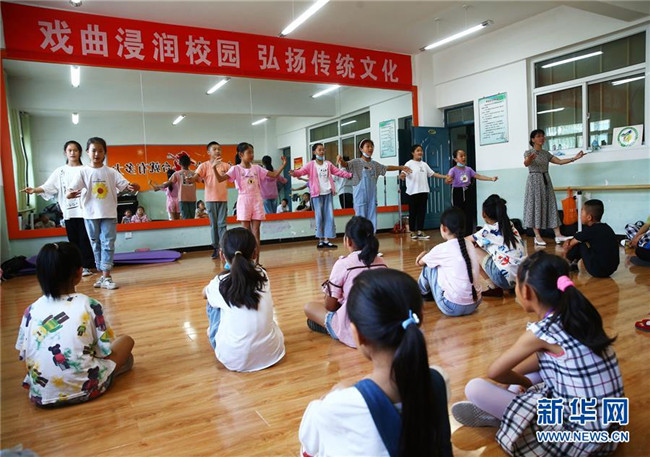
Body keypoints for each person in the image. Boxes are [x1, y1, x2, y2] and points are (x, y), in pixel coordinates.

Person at [451, 251, 623, 457]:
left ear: (527, 291)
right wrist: (515, 380)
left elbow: (494, 372)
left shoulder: (541, 333)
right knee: (531, 375)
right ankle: (509, 408)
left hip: (576, 440)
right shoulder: (580, 316)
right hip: (609, 431)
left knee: (475, 388)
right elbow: (539, 363)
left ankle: (507, 415)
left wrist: (521, 381)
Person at [299, 268, 452, 457]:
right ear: (420, 317)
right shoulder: (439, 380)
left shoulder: (335, 407)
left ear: (358, 335)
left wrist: (335, 394)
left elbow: (308, 447)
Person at [15, 242, 134, 407]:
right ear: (79, 272)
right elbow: (104, 352)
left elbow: (25, 353)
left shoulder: (30, 310)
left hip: (41, 396)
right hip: (88, 389)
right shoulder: (89, 305)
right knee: (126, 342)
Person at [202, 228, 285, 372]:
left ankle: (213, 334)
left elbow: (204, 293)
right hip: (272, 353)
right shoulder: (263, 275)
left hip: (234, 360)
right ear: (255, 253)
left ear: (221, 255)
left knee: (211, 301)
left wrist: (212, 287)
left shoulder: (220, 283)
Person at [67, 137, 140, 290]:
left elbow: (125, 185)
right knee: (95, 244)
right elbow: (71, 190)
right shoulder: (83, 172)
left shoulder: (111, 172)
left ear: (105, 153)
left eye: (100, 151)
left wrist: (132, 186)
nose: (97, 154)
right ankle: (102, 274)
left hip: (109, 213)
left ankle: (106, 276)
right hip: (90, 214)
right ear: (87, 152)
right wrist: (70, 194)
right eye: (94, 150)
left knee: (107, 243)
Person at [304, 216, 387, 346]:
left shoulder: (343, 264)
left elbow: (329, 306)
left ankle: (335, 329)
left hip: (355, 330)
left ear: (348, 241)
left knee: (309, 307)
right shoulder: (381, 262)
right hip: (381, 326)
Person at [21, 140, 95, 276]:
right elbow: (48, 186)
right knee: (73, 241)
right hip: (69, 213)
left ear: (80, 153)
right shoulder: (60, 171)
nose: (72, 153)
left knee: (86, 239)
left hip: (85, 212)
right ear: (65, 153)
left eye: (75, 150)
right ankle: (77, 267)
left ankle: (87, 266)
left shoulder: (86, 170)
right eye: (69, 150)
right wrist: (34, 190)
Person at [213, 142, 287, 251]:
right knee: (246, 231)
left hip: (256, 199)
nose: (252, 155)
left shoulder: (257, 168)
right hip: (244, 200)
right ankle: (247, 257)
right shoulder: (236, 169)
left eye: (253, 152)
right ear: (241, 154)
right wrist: (214, 168)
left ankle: (256, 259)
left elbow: (274, 175)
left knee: (256, 231)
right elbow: (220, 179)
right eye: (249, 152)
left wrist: (284, 164)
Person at [523, 129, 585, 246]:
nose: (542, 138)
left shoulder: (546, 153)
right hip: (534, 181)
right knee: (536, 206)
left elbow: (560, 161)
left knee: (551, 205)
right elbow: (526, 163)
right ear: (533, 139)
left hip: (546, 179)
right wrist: (530, 159)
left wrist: (575, 158)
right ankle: (537, 236)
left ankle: (558, 235)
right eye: (538, 136)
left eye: (543, 136)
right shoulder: (528, 152)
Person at [416, 207, 482, 316]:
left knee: (429, 266)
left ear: (444, 228)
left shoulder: (441, 248)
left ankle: (421, 293)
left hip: (451, 307)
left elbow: (419, 263)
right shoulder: (469, 244)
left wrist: (424, 254)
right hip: (475, 303)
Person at [338, 139, 411, 232]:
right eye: (367, 146)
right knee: (360, 220)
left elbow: (386, 167)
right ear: (361, 149)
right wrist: (341, 160)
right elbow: (346, 164)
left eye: (372, 146)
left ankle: (371, 237)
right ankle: (360, 238)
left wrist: (401, 167)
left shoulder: (375, 164)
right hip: (360, 198)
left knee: (372, 220)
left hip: (372, 198)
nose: (370, 148)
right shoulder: (356, 162)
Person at [291, 143, 352, 249]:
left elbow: (338, 172)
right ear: (314, 152)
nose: (322, 152)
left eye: (323, 150)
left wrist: (349, 175)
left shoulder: (328, 164)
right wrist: (295, 173)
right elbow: (301, 171)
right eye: (319, 150)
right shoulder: (311, 165)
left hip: (327, 193)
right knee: (319, 217)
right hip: (316, 195)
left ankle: (327, 240)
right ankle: (320, 240)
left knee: (329, 217)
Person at [470, 194, 526, 296]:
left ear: (483, 214)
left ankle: (493, 287)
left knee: (473, 249)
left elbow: (466, 240)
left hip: (503, 279)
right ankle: (511, 285)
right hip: (521, 277)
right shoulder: (509, 225)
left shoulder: (489, 230)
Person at [401, 144, 449, 240]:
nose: (420, 152)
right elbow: (403, 173)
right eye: (418, 150)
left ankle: (420, 231)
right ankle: (412, 232)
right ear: (413, 153)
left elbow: (433, 174)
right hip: (412, 192)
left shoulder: (424, 164)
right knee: (413, 213)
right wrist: (402, 175)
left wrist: (445, 176)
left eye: (421, 150)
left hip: (423, 191)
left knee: (421, 212)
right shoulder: (409, 163)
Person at [446, 149, 498, 236]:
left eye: (464, 155)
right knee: (458, 213)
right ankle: (458, 234)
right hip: (457, 192)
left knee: (468, 212)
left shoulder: (468, 169)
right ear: (455, 159)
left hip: (467, 191)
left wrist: (491, 178)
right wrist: (448, 180)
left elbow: (478, 176)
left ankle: (468, 233)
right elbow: (447, 180)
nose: (464, 157)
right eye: (461, 156)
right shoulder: (453, 170)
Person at [563, 199, 619, 277]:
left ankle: (567, 263)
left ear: (589, 217)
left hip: (597, 271)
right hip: (611, 269)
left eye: (582, 212)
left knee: (580, 243)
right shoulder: (607, 228)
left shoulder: (589, 231)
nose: (579, 215)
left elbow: (570, 245)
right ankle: (573, 264)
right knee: (581, 239)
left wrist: (566, 252)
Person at [194, 142, 230, 258]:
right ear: (208, 152)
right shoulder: (204, 166)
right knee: (214, 225)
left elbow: (234, 175)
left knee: (222, 225)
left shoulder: (225, 166)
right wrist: (191, 179)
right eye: (214, 149)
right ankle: (215, 247)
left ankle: (223, 248)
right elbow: (196, 176)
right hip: (210, 200)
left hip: (223, 199)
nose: (217, 151)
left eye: (219, 149)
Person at [170, 154, 197, 220]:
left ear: (179, 163)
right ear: (189, 163)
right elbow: (202, 180)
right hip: (192, 198)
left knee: (186, 218)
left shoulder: (176, 173)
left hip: (183, 199)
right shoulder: (194, 173)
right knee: (192, 218)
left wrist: (159, 186)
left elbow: (168, 183)